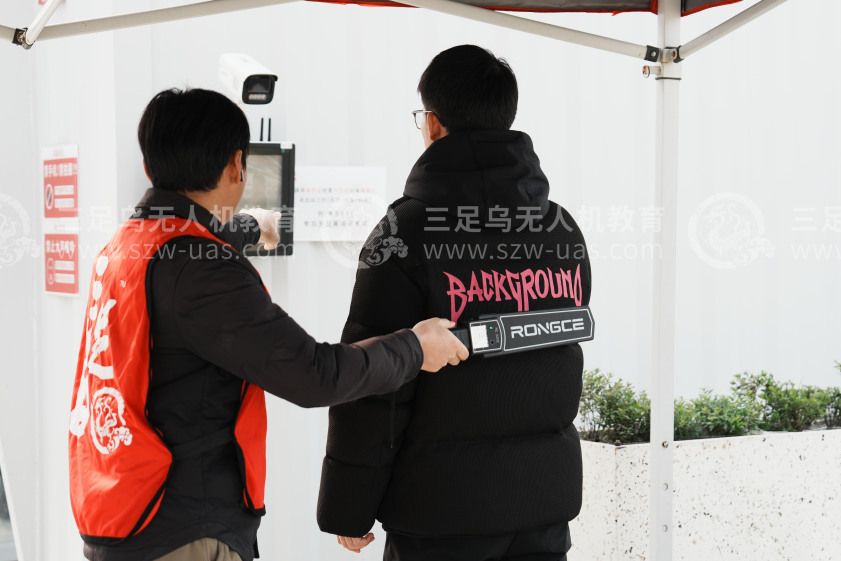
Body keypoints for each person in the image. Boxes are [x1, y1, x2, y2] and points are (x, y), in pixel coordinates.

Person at [67, 87, 468, 561]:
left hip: (123, 504)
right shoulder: (203, 270)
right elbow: (313, 374)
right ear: (237, 165)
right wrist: (415, 347)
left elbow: (187, 258)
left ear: (150, 165)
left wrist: (253, 226)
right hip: (181, 526)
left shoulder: (128, 245)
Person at [316, 45, 592, 560]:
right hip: (542, 507)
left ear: (433, 123)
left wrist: (348, 505)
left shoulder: (405, 231)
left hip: (441, 513)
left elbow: (375, 381)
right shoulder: (560, 229)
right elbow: (559, 350)